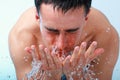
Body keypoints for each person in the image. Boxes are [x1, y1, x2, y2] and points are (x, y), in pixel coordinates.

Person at [8, 0, 119, 80]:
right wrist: (51, 78)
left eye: (72, 31)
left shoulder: (103, 35)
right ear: (37, 17)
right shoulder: (23, 37)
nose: (61, 45)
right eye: (52, 31)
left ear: (86, 18)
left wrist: (76, 76)